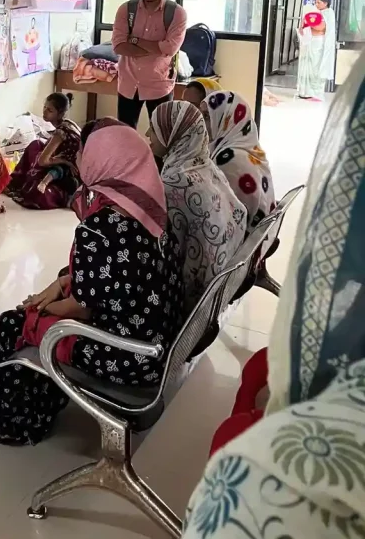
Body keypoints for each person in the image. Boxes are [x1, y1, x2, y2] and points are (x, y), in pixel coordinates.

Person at [181, 52, 365, 539]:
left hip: (230, 266)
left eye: (203, 112)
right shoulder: (249, 149)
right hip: (253, 251)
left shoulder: (223, 161)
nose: (198, 119)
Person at [0, 119, 185, 445]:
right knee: (38, 315)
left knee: (13, 324)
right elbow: (113, 278)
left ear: (103, 160)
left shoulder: (101, 226)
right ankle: (26, 399)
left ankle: (3, 414)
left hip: (126, 354)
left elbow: (82, 309)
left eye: (83, 152)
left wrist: (42, 307)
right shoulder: (149, 208)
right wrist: (59, 286)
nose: (78, 158)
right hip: (157, 340)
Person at [148, 101, 247, 311]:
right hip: (218, 287)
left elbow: (162, 254)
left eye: (154, 128)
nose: (148, 133)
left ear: (174, 134)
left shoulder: (174, 185)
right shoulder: (206, 166)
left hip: (189, 302)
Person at [111, 0, 188, 129]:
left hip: (160, 85)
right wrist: (156, 48)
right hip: (128, 84)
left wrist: (134, 40)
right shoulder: (126, 9)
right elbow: (118, 46)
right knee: (125, 135)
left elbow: (170, 49)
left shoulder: (176, 13)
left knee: (162, 137)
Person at [201, 91, 276, 231]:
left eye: (206, 116)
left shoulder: (228, 160)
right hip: (260, 235)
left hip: (246, 244)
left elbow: (216, 213)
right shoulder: (249, 147)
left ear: (225, 119)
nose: (200, 122)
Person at [5, 92, 81, 210]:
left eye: (49, 110)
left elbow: (42, 161)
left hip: (69, 176)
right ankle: (15, 182)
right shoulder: (69, 124)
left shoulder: (61, 132)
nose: (44, 112)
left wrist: (64, 161)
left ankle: (20, 184)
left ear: (60, 113)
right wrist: (63, 160)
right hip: (65, 166)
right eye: (45, 107)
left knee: (36, 193)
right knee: (36, 145)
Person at [297, 0, 337, 101]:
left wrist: (309, 24)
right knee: (308, 66)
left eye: (319, 2)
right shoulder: (317, 12)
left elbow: (321, 28)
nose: (316, 4)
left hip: (319, 43)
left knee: (316, 68)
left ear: (325, 3)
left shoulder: (328, 13)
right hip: (311, 41)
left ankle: (317, 94)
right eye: (316, 2)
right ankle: (306, 92)